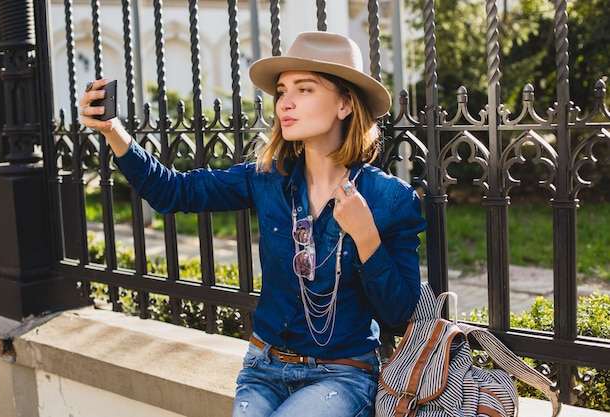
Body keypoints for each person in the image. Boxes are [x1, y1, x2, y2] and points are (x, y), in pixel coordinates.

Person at [79, 31, 426, 417]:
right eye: (282, 90)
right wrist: (114, 132)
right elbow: (173, 192)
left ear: (345, 104)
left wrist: (366, 236)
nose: (285, 103)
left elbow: (400, 315)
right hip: (263, 367)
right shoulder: (266, 178)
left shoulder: (391, 199)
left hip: (342, 374)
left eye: (305, 89)